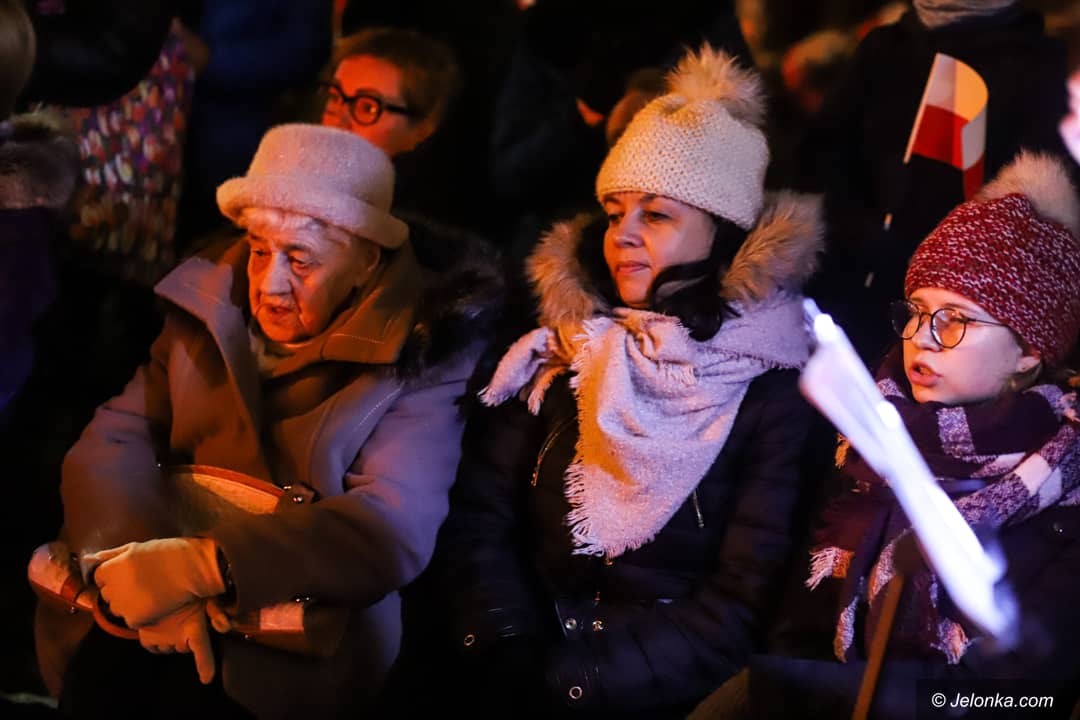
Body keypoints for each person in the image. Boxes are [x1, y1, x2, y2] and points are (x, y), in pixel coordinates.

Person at [408, 45, 825, 718]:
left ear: (723, 233)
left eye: (655, 215)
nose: (622, 235)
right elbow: (482, 520)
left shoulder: (775, 389)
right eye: (613, 212)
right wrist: (505, 645)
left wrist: (575, 683)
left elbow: (743, 601)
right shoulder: (569, 349)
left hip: (663, 693)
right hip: (522, 657)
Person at [33, 123, 504, 718]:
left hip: (290, 631)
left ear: (366, 261)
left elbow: (393, 524)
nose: (269, 284)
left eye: (300, 260)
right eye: (259, 251)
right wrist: (136, 567)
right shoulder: (208, 298)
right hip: (146, 594)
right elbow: (116, 436)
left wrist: (207, 567)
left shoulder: (424, 349)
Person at [693, 151, 1080, 719]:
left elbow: (1014, 695)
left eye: (954, 319)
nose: (920, 337)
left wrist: (812, 692)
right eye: (917, 312)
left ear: (1027, 351)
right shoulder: (866, 444)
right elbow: (798, 626)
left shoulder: (1065, 490)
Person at [795, 0, 1077, 365]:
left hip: (959, 318)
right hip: (853, 287)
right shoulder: (884, 47)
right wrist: (856, 233)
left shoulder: (1039, 62)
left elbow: (1039, 201)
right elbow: (819, 163)